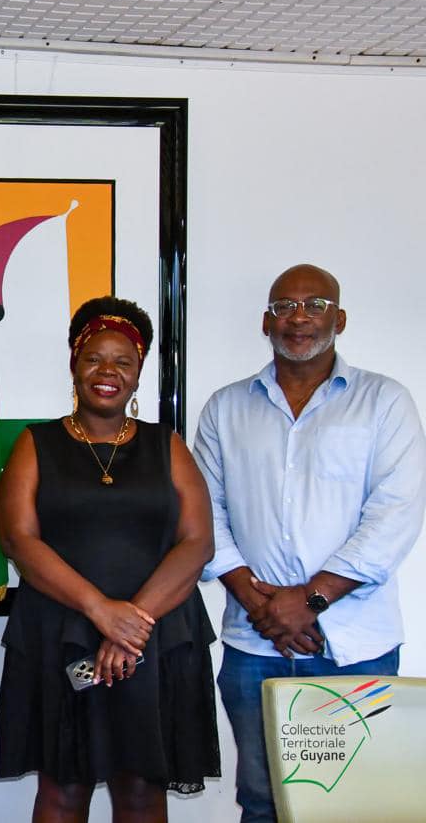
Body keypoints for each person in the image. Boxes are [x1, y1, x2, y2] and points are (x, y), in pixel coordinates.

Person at [194, 264, 426, 823]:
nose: (298, 317)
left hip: (355, 646)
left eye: (315, 304)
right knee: (262, 799)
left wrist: (311, 598)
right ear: (265, 322)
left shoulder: (384, 401)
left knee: (352, 806)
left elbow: (395, 512)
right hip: (254, 646)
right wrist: (260, 604)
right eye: (284, 306)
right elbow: (203, 513)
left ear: (339, 319)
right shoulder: (226, 408)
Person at [0, 296, 220, 821]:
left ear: (138, 373)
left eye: (123, 361)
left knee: (141, 788)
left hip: (155, 635)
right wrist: (101, 611)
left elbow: (197, 543)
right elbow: (18, 540)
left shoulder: (167, 445)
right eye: (94, 358)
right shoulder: (36, 443)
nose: (107, 372)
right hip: (63, 631)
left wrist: (130, 625)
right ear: (75, 364)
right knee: (63, 788)